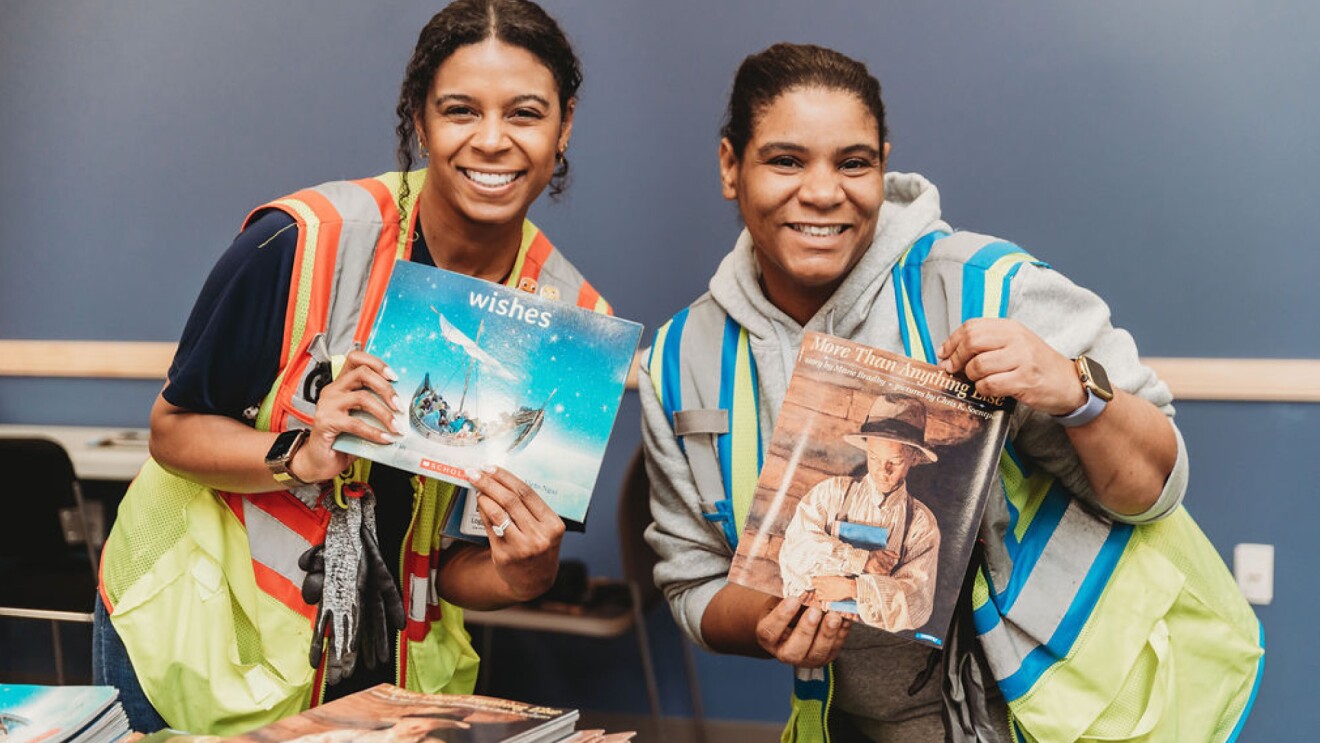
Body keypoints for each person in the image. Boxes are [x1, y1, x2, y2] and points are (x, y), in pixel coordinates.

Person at [643, 43, 1259, 742]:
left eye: (853, 162)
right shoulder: (679, 361)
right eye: (786, 160)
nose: (822, 191)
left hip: (1081, 708)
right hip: (863, 721)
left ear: (883, 162)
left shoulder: (987, 284)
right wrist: (763, 623)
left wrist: (1073, 388)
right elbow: (693, 582)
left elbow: (1157, 486)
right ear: (732, 166)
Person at [93, 0, 609, 734]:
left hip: (386, 674)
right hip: (193, 641)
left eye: (525, 113)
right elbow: (171, 431)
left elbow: (458, 565)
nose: (492, 141)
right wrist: (299, 453)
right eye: (461, 111)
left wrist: (524, 572)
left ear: (564, 125)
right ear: (420, 120)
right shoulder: (299, 242)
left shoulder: (568, 323)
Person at [778, 394, 940, 632]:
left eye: (894, 462)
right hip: (811, 623)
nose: (882, 470)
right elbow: (796, 550)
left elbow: (917, 603)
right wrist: (863, 561)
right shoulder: (831, 494)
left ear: (914, 458)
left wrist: (852, 590)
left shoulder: (921, 523)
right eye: (874, 458)